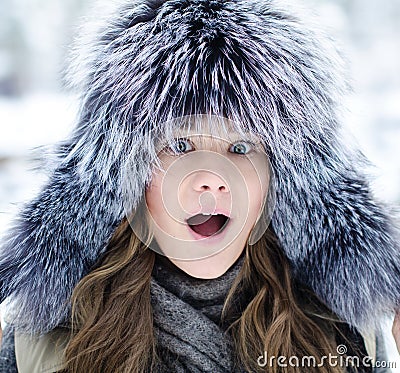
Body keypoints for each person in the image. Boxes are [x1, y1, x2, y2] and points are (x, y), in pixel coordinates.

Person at [0, 0, 400, 372]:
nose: (211, 179)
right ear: (123, 177)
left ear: (284, 182)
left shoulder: (347, 335)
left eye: (241, 147)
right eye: (179, 145)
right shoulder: (39, 344)